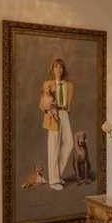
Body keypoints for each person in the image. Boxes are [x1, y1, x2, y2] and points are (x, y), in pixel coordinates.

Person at [39, 58, 74, 190]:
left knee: (69, 143)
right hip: (52, 114)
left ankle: (57, 174)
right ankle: (54, 181)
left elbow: (69, 105)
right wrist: (49, 109)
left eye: (61, 67)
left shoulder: (69, 85)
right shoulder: (47, 84)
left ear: (63, 69)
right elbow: (41, 104)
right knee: (54, 146)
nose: (58, 69)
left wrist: (64, 110)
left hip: (64, 114)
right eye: (56, 67)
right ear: (52, 69)